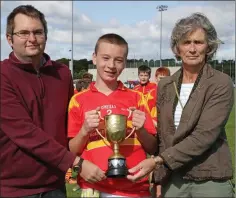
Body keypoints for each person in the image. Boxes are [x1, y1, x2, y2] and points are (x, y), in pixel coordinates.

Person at [127, 12, 234, 198]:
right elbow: (162, 137)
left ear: (208, 46)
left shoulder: (220, 82)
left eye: (198, 42)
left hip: (209, 179)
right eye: (186, 42)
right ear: (177, 48)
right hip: (173, 179)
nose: (192, 49)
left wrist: (159, 162)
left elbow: (204, 136)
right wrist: (158, 176)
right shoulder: (165, 85)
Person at [0, 5, 82, 198]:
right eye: (23, 33)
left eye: (38, 32)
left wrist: (73, 173)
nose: (32, 39)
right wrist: (76, 164)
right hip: (15, 189)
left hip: (56, 185)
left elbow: (70, 125)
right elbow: (24, 132)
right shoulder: (3, 75)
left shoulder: (63, 73)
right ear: (9, 39)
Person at [67, 33, 157, 197]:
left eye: (118, 60)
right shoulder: (78, 100)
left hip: (134, 189)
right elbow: (71, 150)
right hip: (94, 187)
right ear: (94, 58)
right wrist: (84, 130)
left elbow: (152, 147)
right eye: (105, 58)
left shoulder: (137, 98)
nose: (111, 65)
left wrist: (142, 130)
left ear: (125, 63)